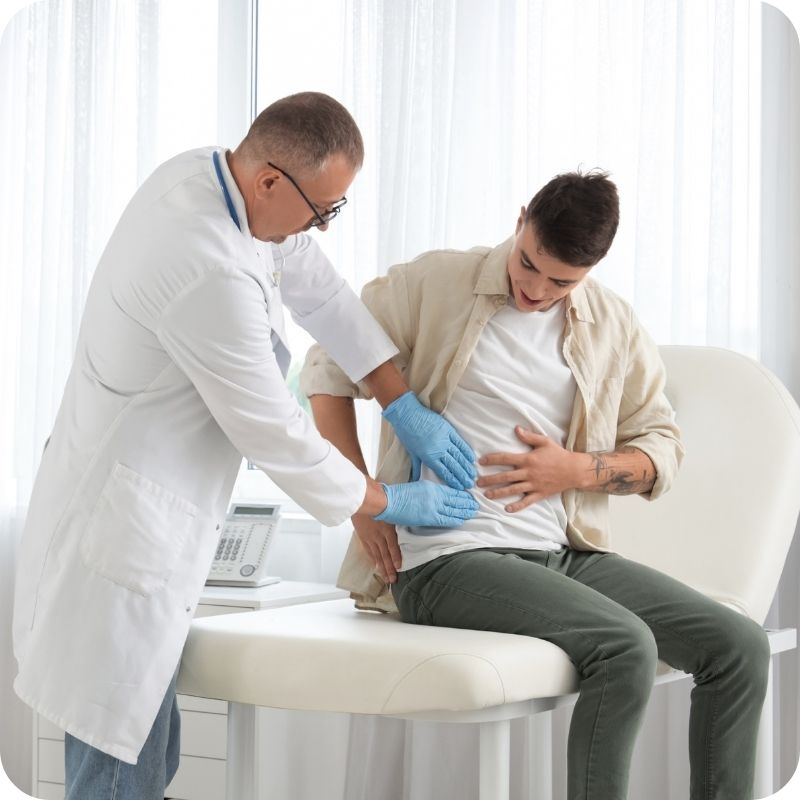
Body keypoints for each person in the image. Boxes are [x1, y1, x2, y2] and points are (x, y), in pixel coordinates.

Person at [12, 92, 479, 800]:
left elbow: (322, 293)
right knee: (115, 775)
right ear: (270, 181)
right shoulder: (208, 267)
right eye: (321, 210)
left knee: (146, 762)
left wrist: (399, 399)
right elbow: (274, 430)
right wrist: (386, 499)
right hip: (117, 537)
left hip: (140, 517)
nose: (320, 227)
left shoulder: (218, 183)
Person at [301, 170, 771, 799]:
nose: (535, 290)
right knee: (624, 647)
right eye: (529, 264)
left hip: (561, 553)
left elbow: (662, 447)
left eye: (561, 282)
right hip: (447, 556)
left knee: (738, 647)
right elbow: (326, 368)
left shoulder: (611, 325)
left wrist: (578, 470)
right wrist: (360, 502)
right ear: (521, 219)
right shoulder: (435, 282)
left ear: (592, 269)